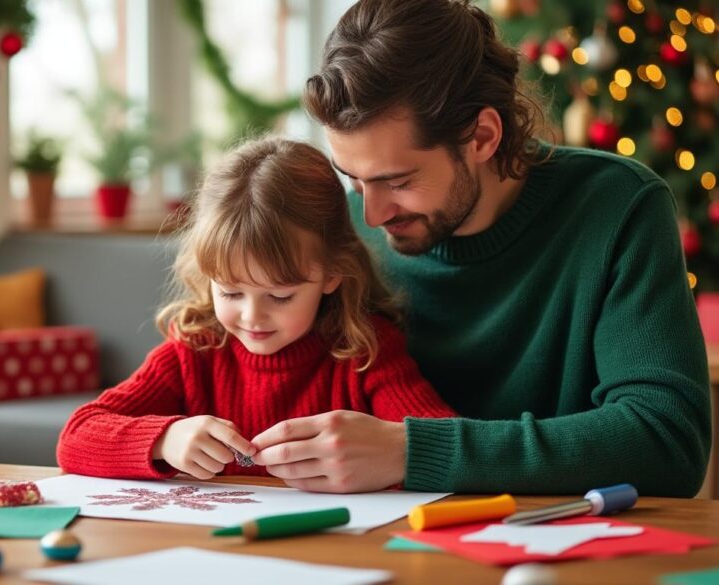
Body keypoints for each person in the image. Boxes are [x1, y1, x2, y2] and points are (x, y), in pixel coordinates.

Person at [251, 0, 711, 496]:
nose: (371, 216)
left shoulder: (617, 207)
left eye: (398, 181)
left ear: (483, 136)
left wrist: (411, 452)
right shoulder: (337, 231)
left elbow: (668, 442)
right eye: (355, 180)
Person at [57, 138, 456, 482]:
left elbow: (446, 442)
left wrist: (392, 457)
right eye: (230, 293)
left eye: (280, 297)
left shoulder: (366, 350)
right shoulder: (196, 350)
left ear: (333, 273)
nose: (251, 317)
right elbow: (76, 437)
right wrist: (165, 439)